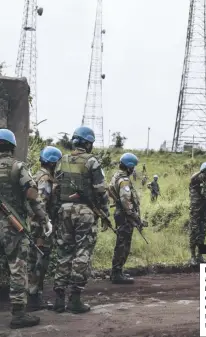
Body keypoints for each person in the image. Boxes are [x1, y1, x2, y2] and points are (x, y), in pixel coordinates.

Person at [53, 126, 109, 313]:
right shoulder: (92, 162)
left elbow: (56, 188)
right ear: (87, 143)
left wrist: (57, 211)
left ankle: (59, 299)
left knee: (64, 252)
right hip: (85, 211)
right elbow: (101, 190)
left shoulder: (62, 160)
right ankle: (75, 298)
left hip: (64, 210)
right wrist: (104, 213)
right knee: (82, 252)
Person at [0, 129, 47, 328]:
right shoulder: (18, 167)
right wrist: (42, 216)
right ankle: (19, 315)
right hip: (12, 225)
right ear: (12, 147)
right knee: (17, 267)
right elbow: (31, 194)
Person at [27, 146, 62, 311]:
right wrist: (46, 222)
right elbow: (41, 202)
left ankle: (32, 293)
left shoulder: (37, 174)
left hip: (35, 223)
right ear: (53, 163)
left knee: (33, 259)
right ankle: (34, 296)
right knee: (41, 260)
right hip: (42, 226)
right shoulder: (46, 179)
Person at [109, 152, 142, 284]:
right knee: (123, 245)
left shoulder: (116, 176)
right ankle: (117, 273)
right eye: (133, 167)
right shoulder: (124, 181)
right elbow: (126, 201)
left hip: (120, 213)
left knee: (120, 244)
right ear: (129, 167)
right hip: (124, 215)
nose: (133, 170)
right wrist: (135, 216)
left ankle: (117, 271)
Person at [189, 162, 206, 265]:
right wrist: (201, 170)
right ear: (202, 171)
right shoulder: (196, 180)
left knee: (202, 234)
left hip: (204, 212)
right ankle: (192, 257)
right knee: (194, 233)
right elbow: (192, 178)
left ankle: (200, 255)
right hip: (195, 212)